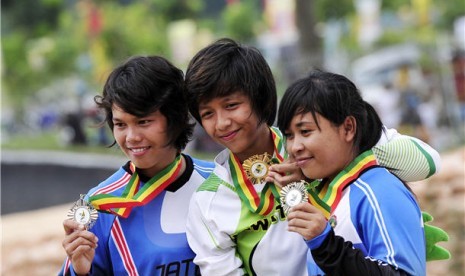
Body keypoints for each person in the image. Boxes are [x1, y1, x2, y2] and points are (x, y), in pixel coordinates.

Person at [184, 38, 441, 275]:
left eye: (231, 106)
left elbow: (427, 162)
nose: (222, 123)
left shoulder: (317, 142)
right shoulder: (208, 202)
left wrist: (325, 168)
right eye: (207, 114)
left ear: (259, 98)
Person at [59, 56, 214, 275]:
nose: (131, 137)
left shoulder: (219, 181)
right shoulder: (100, 205)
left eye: (143, 122)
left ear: (175, 117)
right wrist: (80, 271)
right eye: (120, 124)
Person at [274, 70, 426, 275]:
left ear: (348, 128)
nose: (294, 147)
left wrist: (327, 245)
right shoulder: (327, 191)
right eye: (289, 135)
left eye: (305, 131)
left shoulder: (379, 191)